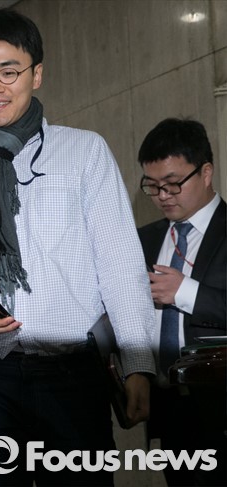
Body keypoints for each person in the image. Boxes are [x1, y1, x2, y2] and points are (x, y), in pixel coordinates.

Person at [0, 8, 155, 486]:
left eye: (8, 71)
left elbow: (120, 266)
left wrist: (138, 364)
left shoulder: (85, 152)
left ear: (35, 74)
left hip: (72, 375)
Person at [137, 117, 226, 486]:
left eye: (173, 183)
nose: (163, 195)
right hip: (170, 411)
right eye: (152, 185)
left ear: (205, 172)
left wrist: (184, 292)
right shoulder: (142, 240)